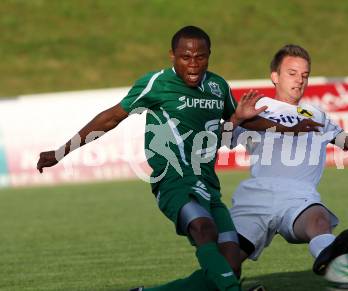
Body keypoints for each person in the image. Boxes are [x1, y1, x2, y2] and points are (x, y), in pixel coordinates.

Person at [36, 27, 320, 291]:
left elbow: (247, 121)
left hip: (207, 183)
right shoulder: (157, 83)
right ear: (173, 56)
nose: (193, 64)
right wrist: (62, 151)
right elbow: (110, 118)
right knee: (203, 229)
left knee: (230, 264)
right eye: (185, 57)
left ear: (209, 56)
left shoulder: (218, 87)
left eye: (200, 57)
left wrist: (288, 127)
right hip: (172, 179)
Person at [228, 44, 348, 285]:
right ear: (275, 76)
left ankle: (336, 267)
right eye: (292, 73)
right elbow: (223, 138)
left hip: (299, 196)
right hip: (257, 195)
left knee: (319, 221)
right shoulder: (255, 108)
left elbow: (342, 138)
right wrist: (236, 119)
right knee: (228, 263)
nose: (299, 80)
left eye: (305, 75)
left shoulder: (315, 114)